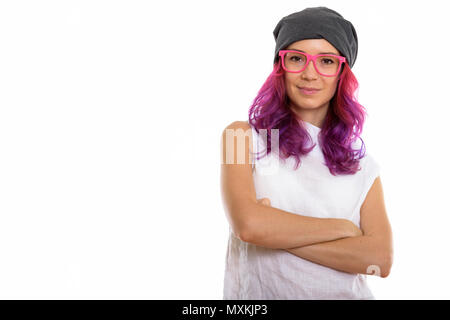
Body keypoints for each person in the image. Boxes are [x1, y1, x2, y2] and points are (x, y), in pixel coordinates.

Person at [220, 6, 393, 299]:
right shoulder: (241, 136)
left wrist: (274, 231)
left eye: (326, 61)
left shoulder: (361, 164)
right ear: (281, 66)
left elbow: (379, 259)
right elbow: (248, 226)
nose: (310, 74)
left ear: (341, 73)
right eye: (297, 59)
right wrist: (343, 229)